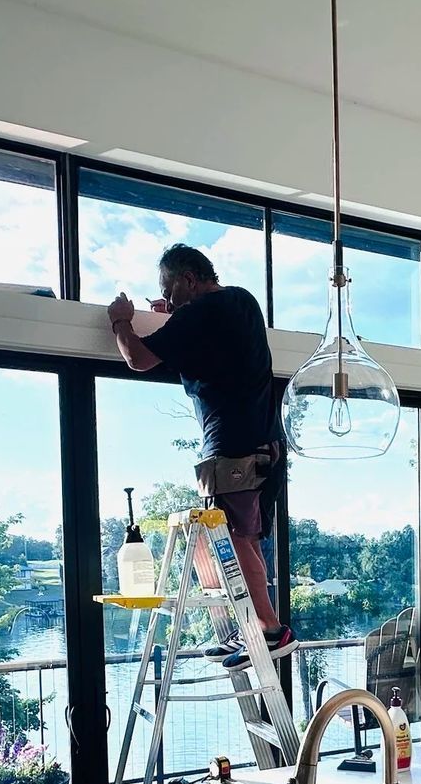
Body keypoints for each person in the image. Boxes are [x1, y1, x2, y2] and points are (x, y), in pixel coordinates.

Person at [106, 244, 292, 667]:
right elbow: (203, 347)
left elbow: (136, 358)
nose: (167, 300)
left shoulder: (204, 311)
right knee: (218, 540)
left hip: (237, 449)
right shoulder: (240, 303)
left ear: (189, 279)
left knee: (239, 540)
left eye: (169, 289)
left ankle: (269, 628)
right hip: (256, 446)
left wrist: (121, 319)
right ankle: (241, 629)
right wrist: (173, 317)